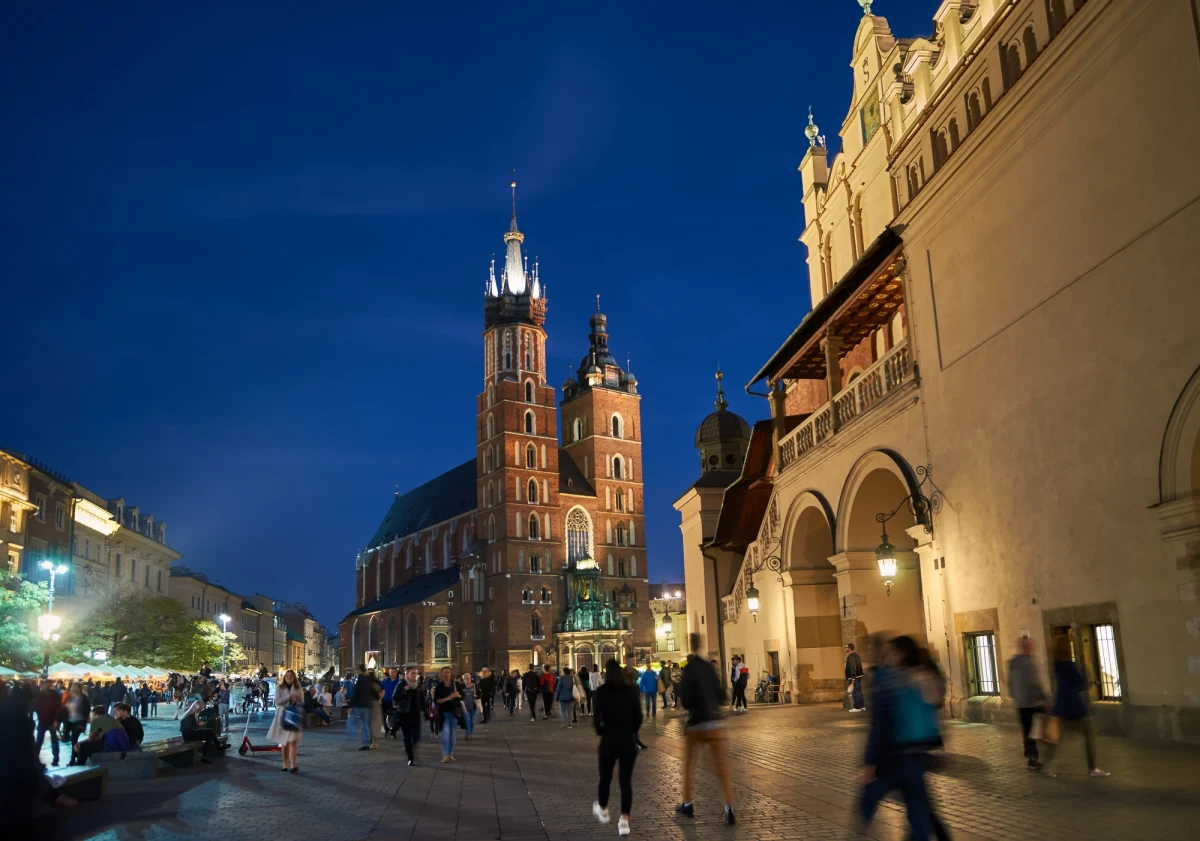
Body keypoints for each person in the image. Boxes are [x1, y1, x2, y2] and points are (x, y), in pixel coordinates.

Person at [858, 635, 941, 841]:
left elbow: (880, 724)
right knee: (919, 812)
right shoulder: (923, 677)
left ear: (900, 654)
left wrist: (870, 761)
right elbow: (931, 714)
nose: (889, 655)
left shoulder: (888, 680)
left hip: (891, 757)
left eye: (892, 651)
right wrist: (935, 748)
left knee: (867, 804)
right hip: (916, 755)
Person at [675, 633, 735, 825]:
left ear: (689, 645)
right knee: (721, 768)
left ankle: (688, 802)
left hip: (697, 724)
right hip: (715, 722)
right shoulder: (710, 667)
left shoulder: (689, 670)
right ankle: (729, 806)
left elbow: (685, 699)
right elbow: (721, 694)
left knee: (688, 765)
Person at [1043, 635, 1109, 778]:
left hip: (1061, 706)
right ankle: (1092, 768)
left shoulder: (1056, 665)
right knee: (1089, 734)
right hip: (1075, 707)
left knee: (1058, 738)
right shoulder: (1069, 665)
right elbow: (1080, 683)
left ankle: (1048, 764)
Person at [592, 659, 642, 837]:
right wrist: (631, 730)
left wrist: (602, 730)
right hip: (627, 741)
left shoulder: (601, 692)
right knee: (625, 782)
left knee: (605, 778)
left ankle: (603, 809)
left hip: (609, 740)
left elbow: (597, 719)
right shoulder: (630, 691)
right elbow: (638, 717)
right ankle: (624, 821)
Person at [1007, 635, 1047, 770]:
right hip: (1033, 702)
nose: (1033, 647)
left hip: (1021, 703)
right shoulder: (1028, 663)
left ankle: (1031, 754)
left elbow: (1010, 684)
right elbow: (1033, 683)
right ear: (1026, 647)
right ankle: (1035, 756)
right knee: (1041, 728)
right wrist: (1044, 697)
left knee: (1027, 730)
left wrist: (1016, 697)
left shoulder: (1013, 662)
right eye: (1030, 645)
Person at [266, 669, 303, 772]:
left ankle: (293, 765)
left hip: (294, 716)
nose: (289, 678)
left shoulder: (298, 688)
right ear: (284, 677)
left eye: (291, 676)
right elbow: (277, 701)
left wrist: (296, 702)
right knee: (284, 742)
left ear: (294, 677)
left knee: (293, 742)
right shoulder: (280, 687)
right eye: (287, 676)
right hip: (283, 716)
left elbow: (302, 702)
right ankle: (285, 764)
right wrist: (288, 697)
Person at [394, 666, 425, 766]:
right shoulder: (401, 684)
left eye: (415, 673)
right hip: (405, 714)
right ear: (406, 674)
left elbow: (422, 698)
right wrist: (404, 691)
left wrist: (425, 710)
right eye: (412, 673)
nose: (414, 675)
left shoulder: (418, 685)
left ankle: (410, 747)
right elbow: (395, 697)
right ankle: (410, 758)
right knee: (407, 736)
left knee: (416, 736)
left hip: (416, 714)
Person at [433, 667, 463, 762]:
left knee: (452, 734)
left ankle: (450, 754)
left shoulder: (456, 684)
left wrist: (458, 695)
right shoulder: (439, 686)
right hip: (444, 713)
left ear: (451, 674)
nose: (446, 674)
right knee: (446, 733)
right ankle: (445, 755)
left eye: (448, 672)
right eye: (444, 672)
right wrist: (449, 698)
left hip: (454, 712)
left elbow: (463, 696)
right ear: (441, 674)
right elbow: (437, 700)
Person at [350, 665, 380, 751]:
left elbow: (356, 693)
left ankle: (365, 742)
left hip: (360, 705)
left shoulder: (360, 679)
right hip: (368, 705)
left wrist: (351, 704)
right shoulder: (368, 679)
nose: (355, 671)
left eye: (356, 670)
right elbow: (373, 691)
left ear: (359, 670)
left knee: (360, 723)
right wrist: (377, 698)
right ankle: (367, 742)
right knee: (366, 724)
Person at [35, 681, 62, 766]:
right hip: (43, 721)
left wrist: (57, 720)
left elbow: (59, 708)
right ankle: (35, 758)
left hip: (51, 721)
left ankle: (56, 759)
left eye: (44, 684)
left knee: (53, 741)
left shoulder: (55, 696)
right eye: (42, 685)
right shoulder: (40, 695)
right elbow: (37, 706)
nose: (42, 686)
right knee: (39, 741)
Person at [380, 667, 402, 738]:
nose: (392, 673)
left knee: (396, 718)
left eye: (393, 672)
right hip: (385, 701)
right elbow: (380, 690)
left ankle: (393, 732)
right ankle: (386, 729)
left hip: (394, 702)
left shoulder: (399, 682)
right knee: (383, 717)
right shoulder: (385, 681)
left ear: (396, 673)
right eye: (391, 672)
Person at [845, 643, 866, 712]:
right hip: (858, 676)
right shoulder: (857, 655)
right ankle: (862, 706)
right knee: (859, 691)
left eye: (846, 647)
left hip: (854, 677)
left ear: (849, 648)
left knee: (855, 691)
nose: (845, 649)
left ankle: (857, 707)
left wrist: (853, 678)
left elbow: (853, 667)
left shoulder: (851, 656)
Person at [460, 672, 477, 739]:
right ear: (463, 680)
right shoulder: (461, 687)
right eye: (465, 679)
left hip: (473, 706)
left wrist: (477, 695)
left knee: (471, 721)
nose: (467, 680)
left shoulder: (474, 686)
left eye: (468, 678)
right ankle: (468, 734)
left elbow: (480, 693)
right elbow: (459, 695)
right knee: (467, 720)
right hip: (465, 707)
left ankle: (469, 733)